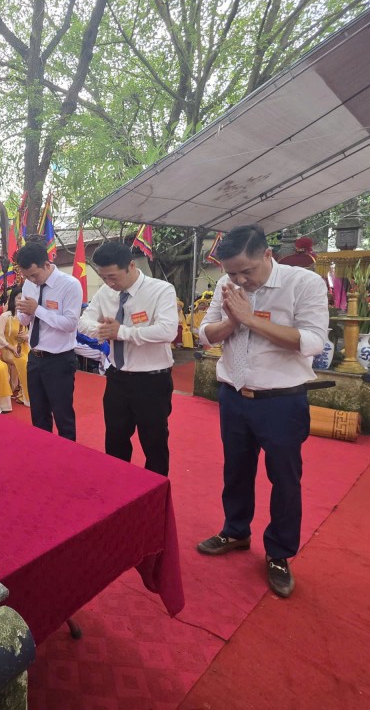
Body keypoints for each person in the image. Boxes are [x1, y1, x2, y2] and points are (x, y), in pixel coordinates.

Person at [195, 223, 329, 599]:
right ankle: (235, 531)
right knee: (236, 470)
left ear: (267, 255)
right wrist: (233, 320)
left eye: (246, 271)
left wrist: (252, 319)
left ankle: (279, 553)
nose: (239, 279)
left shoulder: (303, 284)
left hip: (281, 401)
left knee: (284, 480)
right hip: (234, 396)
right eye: (231, 272)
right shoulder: (228, 288)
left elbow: (313, 342)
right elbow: (205, 334)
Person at [79, 242, 178, 476]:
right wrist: (102, 330)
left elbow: (167, 331)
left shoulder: (161, 290)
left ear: (131, 266)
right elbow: (84, 322)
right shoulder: (106, 292)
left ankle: (154, 494)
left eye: (113, 277)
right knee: (115, 438)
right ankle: (118, 488)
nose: (109, 284)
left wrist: (122, 332)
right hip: (117, 378)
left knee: (154, 443)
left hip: (152, 381)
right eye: (104, 278)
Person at [14, 241, 81, 440]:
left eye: (34, 275)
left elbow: (70, 324)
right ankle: (43, 455)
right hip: (34, 357)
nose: (32, 280)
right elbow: (25, 320)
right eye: (26, 276)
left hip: (59, 359)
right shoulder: (29, 283)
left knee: (63, 415)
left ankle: (68, 458)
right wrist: (23, 312)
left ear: (46, 264)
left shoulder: (70, 285)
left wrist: (38, 310)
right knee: (38, 414)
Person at [0, 287, 30, 406]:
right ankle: (24, 395)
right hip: (8, 349)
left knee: (35, 361)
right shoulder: (5, 316)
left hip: (24, 347)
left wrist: (25, 336)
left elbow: (30, 334)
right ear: (13, 300)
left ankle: (29, 392)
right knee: (24, 361)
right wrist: (12, 348)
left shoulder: (27, 316)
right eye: (18, 298)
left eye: (23, 298)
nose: (21, 300)